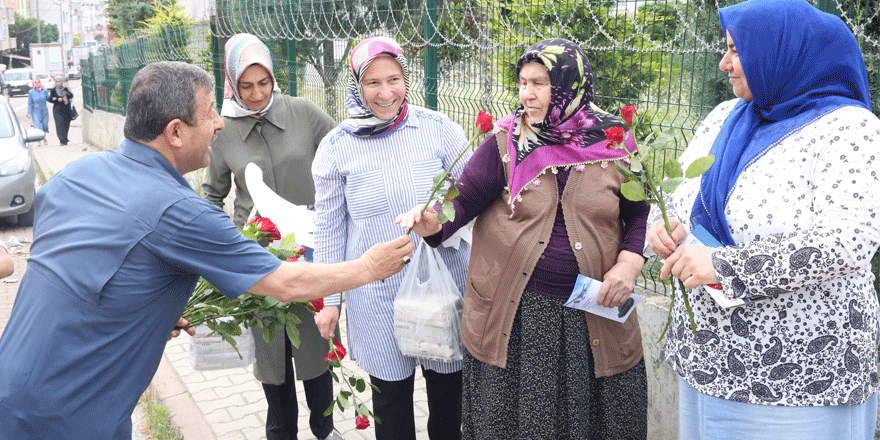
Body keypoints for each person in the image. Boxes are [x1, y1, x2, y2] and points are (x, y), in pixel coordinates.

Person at [0, 61, 414, 439]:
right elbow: (286, 283)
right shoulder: (177, 210)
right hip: (70, 416)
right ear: (176, 132)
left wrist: (139, 304)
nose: (220, 122)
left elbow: (66, 268)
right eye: (211, 110)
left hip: (12, 385)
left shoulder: (73, 176)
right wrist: (368, 267)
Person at [643, 1, 880, 438]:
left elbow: (851, 239)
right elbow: (679, 194)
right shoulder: (725, 118)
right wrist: (664, 224)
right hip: (708, 361)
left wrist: (725, 266)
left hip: (797, 375)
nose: (724, 62)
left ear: (780, 51)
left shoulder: (847, 127)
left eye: (737, 50)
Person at [396, 38, 649, 439]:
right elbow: (462, 201)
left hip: (594, 315)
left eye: (539, 83)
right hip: (521, 319)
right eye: (522, 82)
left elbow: (639, 213)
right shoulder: (507, 141)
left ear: (569, 86)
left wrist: (629, 264)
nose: (526, 94)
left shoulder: (614, 142)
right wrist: (431, 222)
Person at [312, 37, 471, 440]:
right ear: (356, 85)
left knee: (449, 405)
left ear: (406, 77)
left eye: (394, 79)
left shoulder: (438, 130)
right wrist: (329, 301)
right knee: (391, 407)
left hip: (444, 289)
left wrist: (440, 215)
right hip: (377, 295)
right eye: (373, 83)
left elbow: (474, 194)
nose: (386, 93)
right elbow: (330, 229)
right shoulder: (336, 147)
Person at [202, 33, 343, 440]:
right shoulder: (223, 130)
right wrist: (229, 244)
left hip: (310, 253)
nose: (256, 93)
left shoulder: (302, 112)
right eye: (245, 86)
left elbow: (344, 152)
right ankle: (281, 432)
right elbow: (212, 196)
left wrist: (333, 210)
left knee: (317, 349)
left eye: (263, 82)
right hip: (257, 262)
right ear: (231, 83)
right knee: (272, 356)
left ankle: (325, 428)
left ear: (273, 77)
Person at [48, 75, 73, 145]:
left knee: (66, 124)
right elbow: (50, 99)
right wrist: (56, 99)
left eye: (59, 81)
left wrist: (65, 88)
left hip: (66, 109)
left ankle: (65, 139)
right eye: (57, 81)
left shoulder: (66, 89)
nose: (58, 83)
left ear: (62, 82)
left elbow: (70, 95)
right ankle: (61, 140)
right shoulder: (53, 90)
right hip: (57, 109)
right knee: (59, 124)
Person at [26, 78, 49, 145]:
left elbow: (48, 98)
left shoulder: (44, 90)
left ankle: (43, 137)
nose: (37, 84)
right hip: (35, 111)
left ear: (40, 83)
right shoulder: (31, 92)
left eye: (38, 82)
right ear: (33, 84)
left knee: (44, 125)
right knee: (38, 126)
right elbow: (30, 103)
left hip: (44, 110)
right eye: (35, 82)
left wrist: (55, 99)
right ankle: (39, 140)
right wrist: (29, 113)